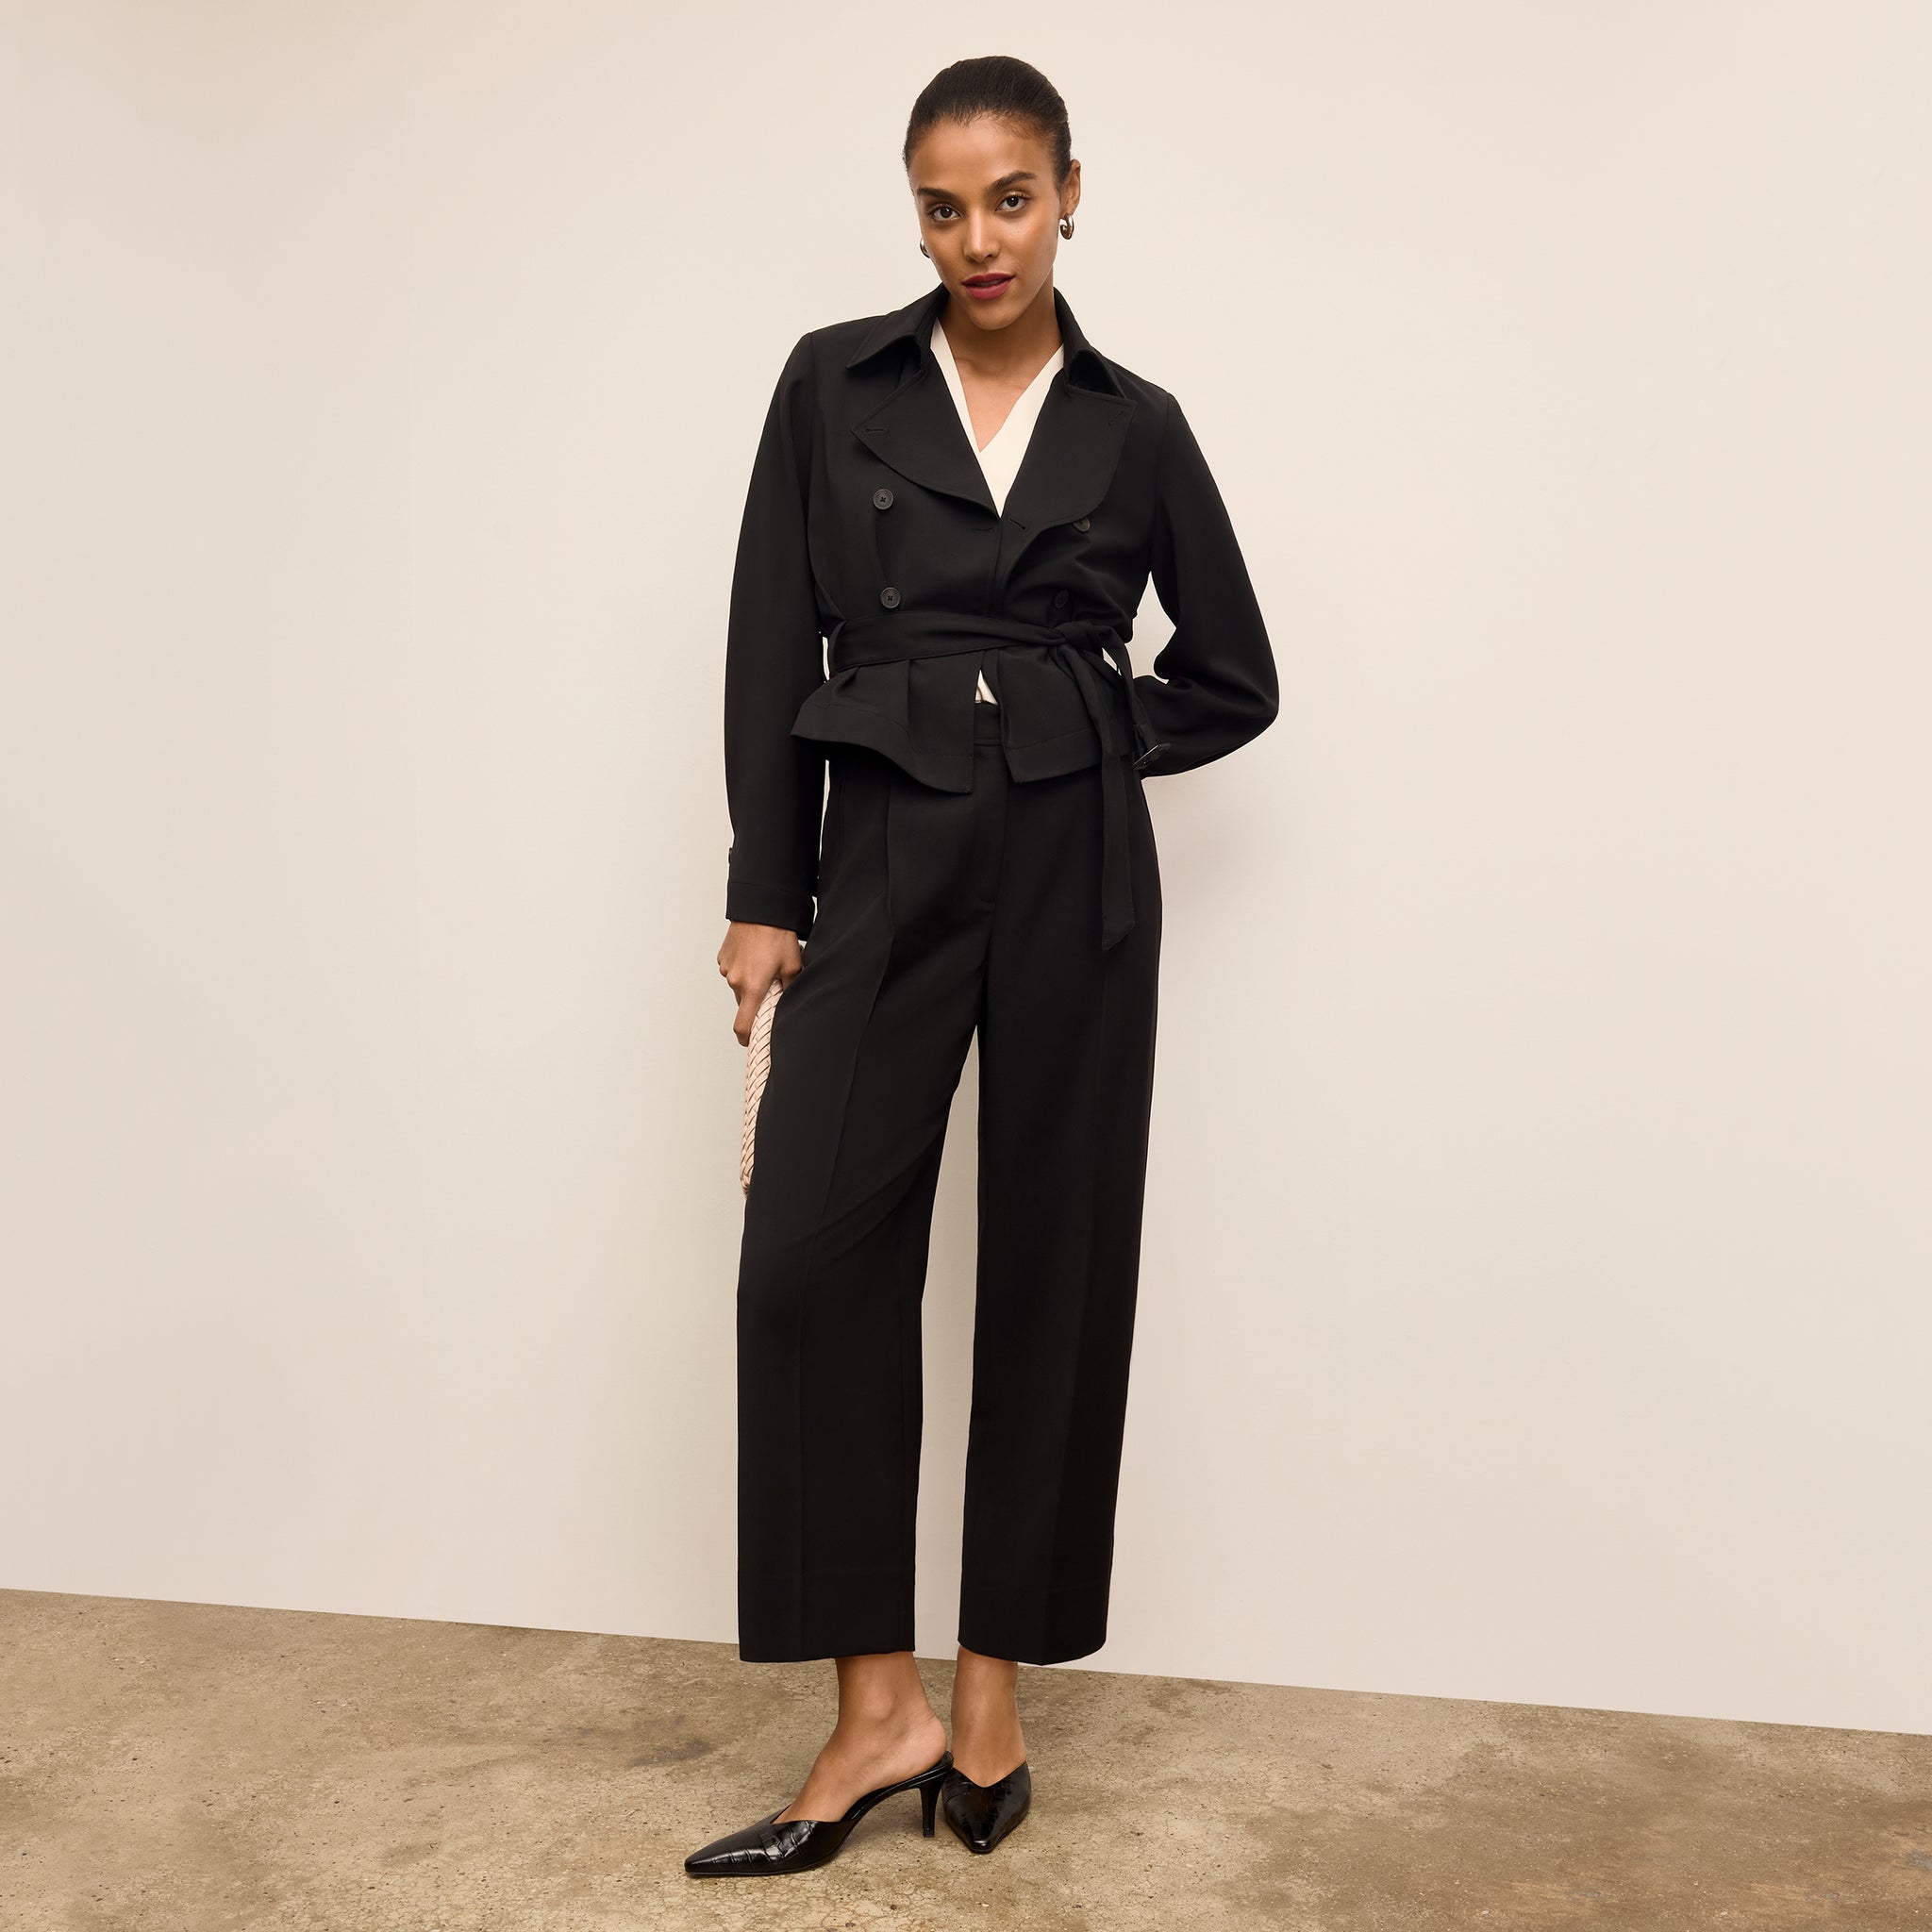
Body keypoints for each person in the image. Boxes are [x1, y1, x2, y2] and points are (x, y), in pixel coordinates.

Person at [687, 54, 1278, 1878]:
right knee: (808, 1260)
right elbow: (767, 633)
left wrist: (1095, 736)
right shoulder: (834, 383)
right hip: (881, 848)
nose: (976, 237)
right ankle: (880, 1711)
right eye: (942, 205)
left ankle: (995, 1687)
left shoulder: (1140, 422)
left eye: (1009, 197)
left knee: (1053, 1257)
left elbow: (1236, 675)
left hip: (1077, 869)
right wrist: (764, 884)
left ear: (1071, 192)